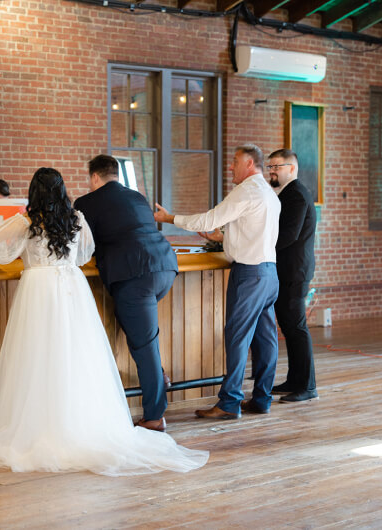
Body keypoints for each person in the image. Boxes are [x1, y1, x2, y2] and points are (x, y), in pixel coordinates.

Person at [0, 167, 207, 476]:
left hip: (38, 291)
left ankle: (41, 423)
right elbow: (86, 254)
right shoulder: (76, 220)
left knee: (38, 357)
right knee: (76, 356)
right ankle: (80, 422)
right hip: (72, 288)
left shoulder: (25, 222)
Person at [154, 144, 280, 419]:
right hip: (269, 273)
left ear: (250, 163)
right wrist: (221, 238)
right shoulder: (269, 194)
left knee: (237, 337)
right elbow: (253, 231)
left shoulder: (246, 191)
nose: (231, 167)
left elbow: (211, 218)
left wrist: (168, 217)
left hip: (249, 274)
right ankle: (261, 399)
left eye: (235, 161)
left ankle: (229, 403)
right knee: (265, 338)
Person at [73, 155, 178, 432]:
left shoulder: (86, 203)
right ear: (115, 174)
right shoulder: (137, 197)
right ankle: (158, 373)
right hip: (165, 267)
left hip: (135, 274)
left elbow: (83, 246)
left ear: (94, 177)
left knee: (144, 345)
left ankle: (154, 416)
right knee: (140, 334)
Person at [266, 149, 318, 402]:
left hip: (294, 270)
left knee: (296, 328)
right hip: (287, 269)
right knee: (289, 326)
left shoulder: (296, 195)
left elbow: (289, 235)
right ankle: (295, 380)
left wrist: (260, 245)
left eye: (277, 166)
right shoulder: (286, 194)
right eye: (270, 166)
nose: (272, 171)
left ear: (292, 168)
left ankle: (307, 387)